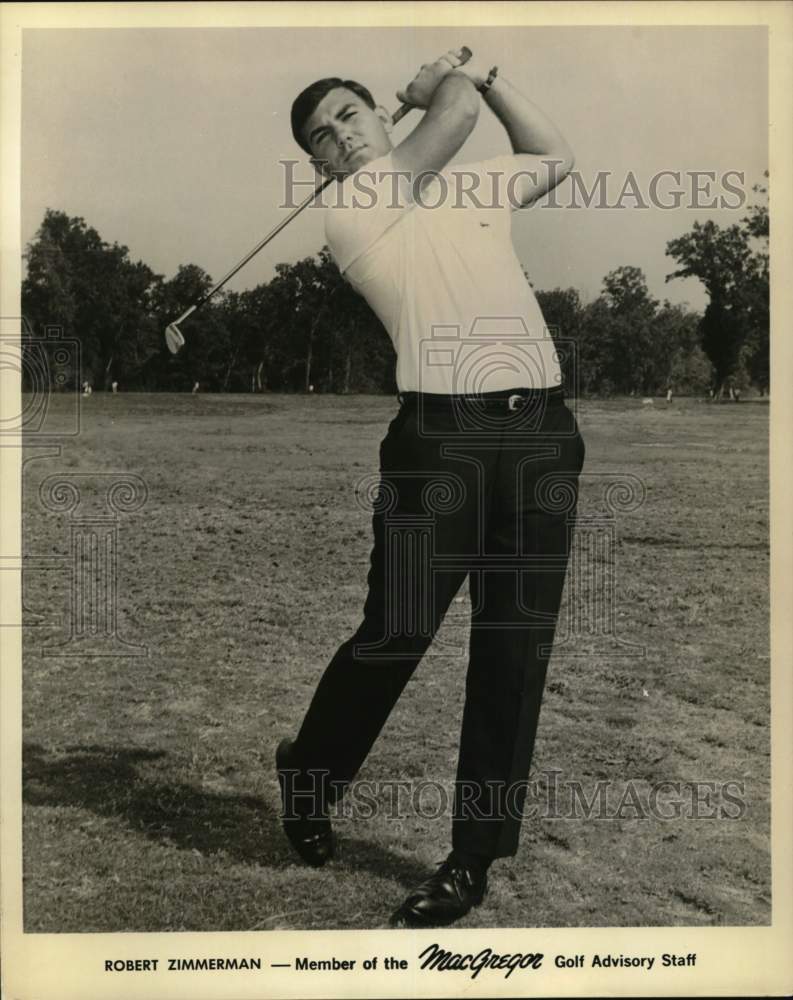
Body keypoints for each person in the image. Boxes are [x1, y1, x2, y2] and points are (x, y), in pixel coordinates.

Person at [276, 47, 585, 928]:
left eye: (350, 114)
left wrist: (487, 79)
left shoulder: (465, 189)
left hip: (540, 437)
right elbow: (447, 119)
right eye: (321, 136)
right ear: (320, 166)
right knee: (397, 631)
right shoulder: (351, 207)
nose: (339, 136)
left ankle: (471, 860)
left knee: (511, 648)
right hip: (437, 441)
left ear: (379, 120)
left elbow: (553, 155)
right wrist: (437, 90)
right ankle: (311, 772)